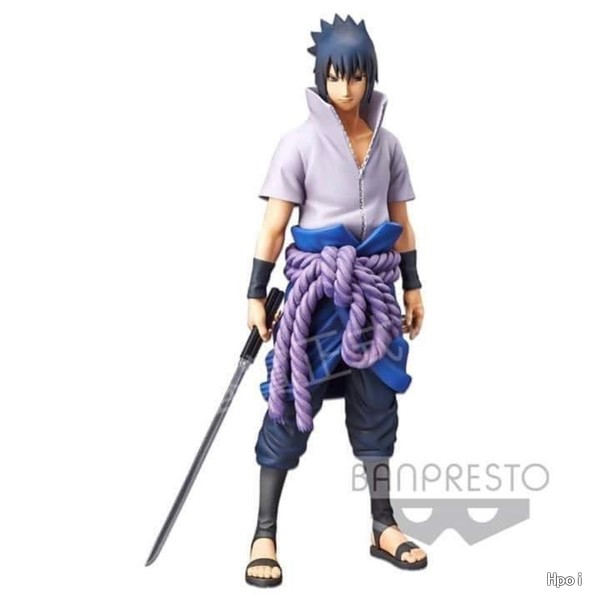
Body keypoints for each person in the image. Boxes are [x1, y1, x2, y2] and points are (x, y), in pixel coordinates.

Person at [244, 15, 427, 587]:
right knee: (289, 403)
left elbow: (401, 221)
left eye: (356, 76)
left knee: (378, 406)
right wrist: (255, 291)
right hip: (316, 295)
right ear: (321, 77)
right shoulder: (298, 143)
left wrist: (413, 283)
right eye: (335, 76)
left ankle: (383, 524)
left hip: (374, 293)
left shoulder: (388, 145)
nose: (346, 88)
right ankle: (264, 532)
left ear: (370, 76)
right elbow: (274, 227)